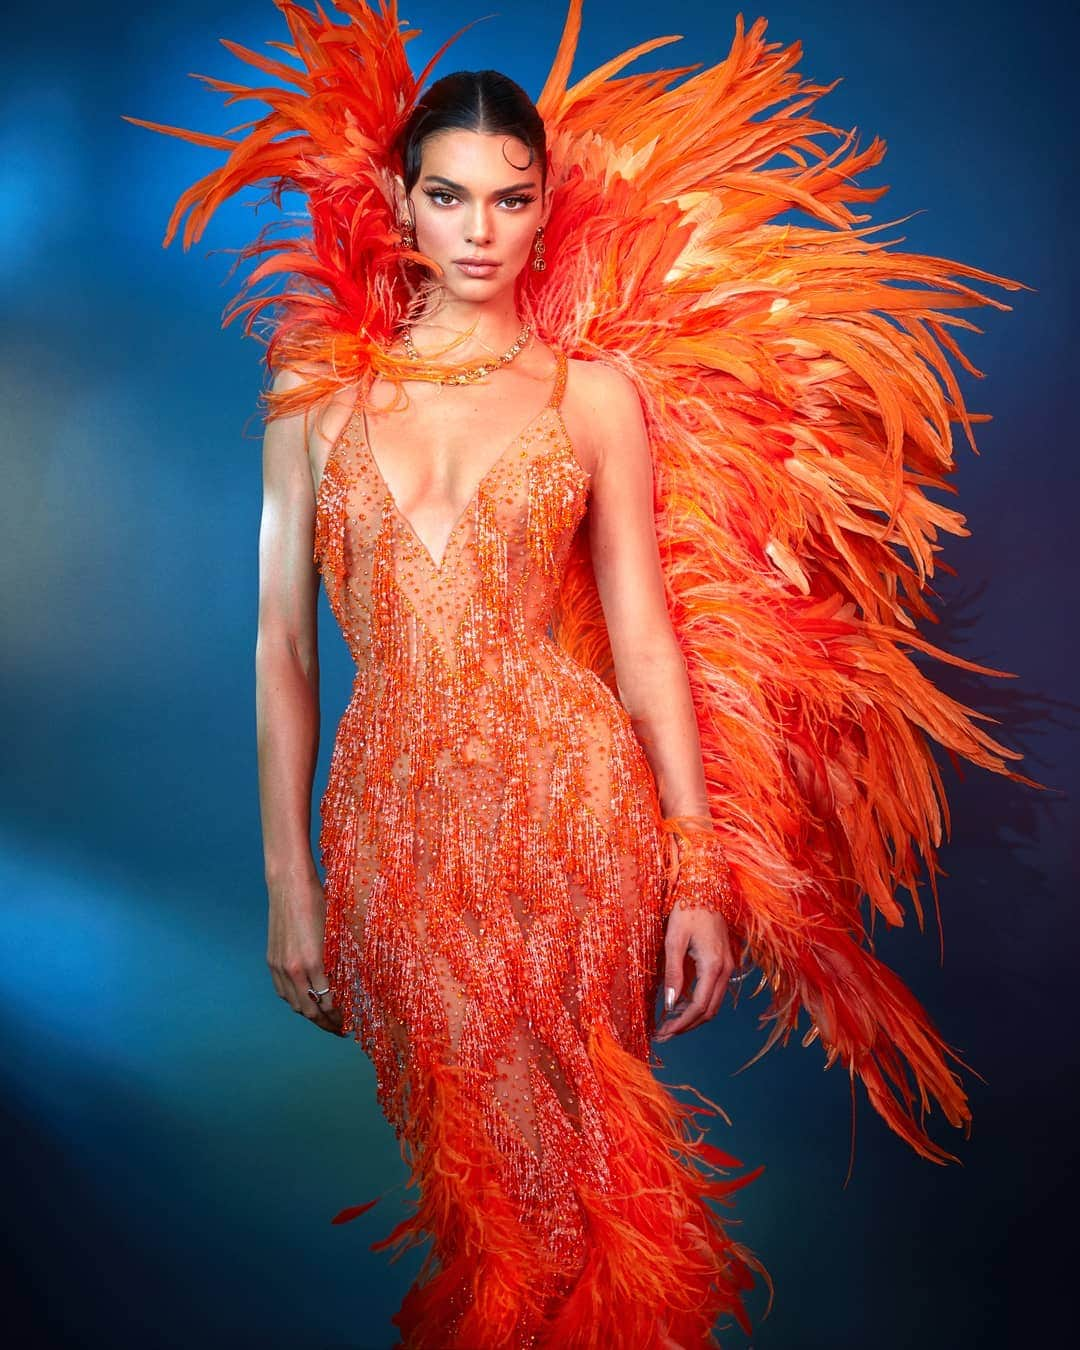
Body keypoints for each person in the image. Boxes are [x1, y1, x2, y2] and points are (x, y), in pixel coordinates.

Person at [124, 1, 1036, 1345]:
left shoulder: (589, 396)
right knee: (488, 1194)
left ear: (547, 211)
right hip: (392, 837)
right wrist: (288, 885)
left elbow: (648, 634)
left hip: (577, 819)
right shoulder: (309, 399)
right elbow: (279, 649)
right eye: (449, 195)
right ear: (402, 200)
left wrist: (700, 864)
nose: (480, 230)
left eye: (510, 199)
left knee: (579, 1202)